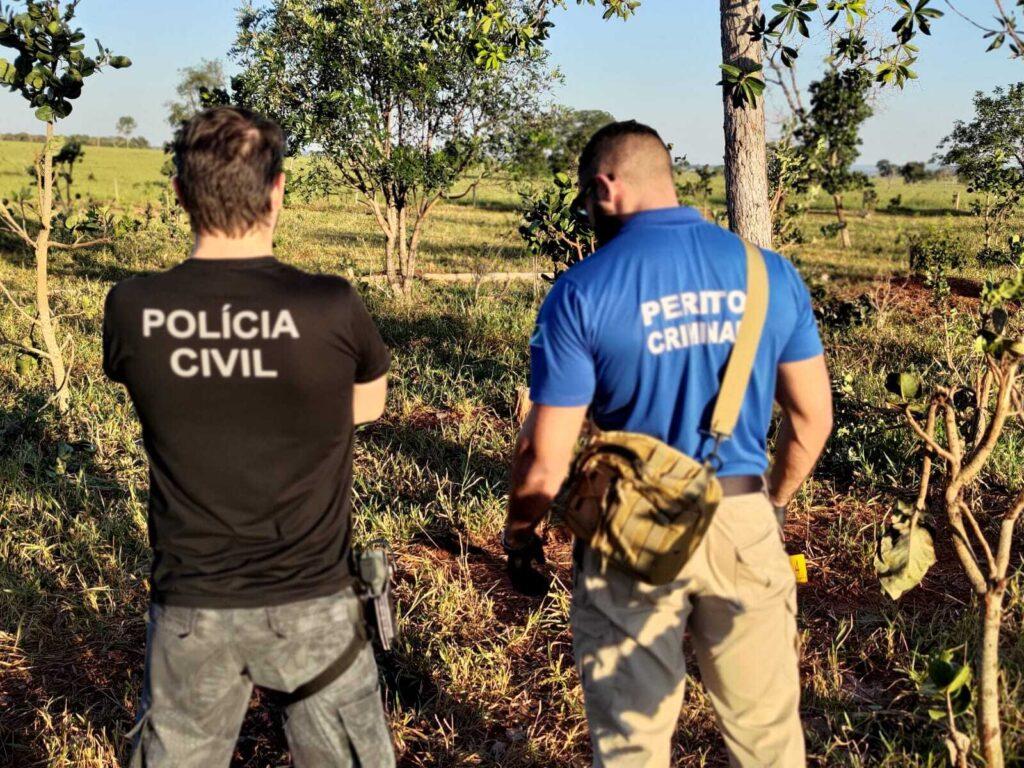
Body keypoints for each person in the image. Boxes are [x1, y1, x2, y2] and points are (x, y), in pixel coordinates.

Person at [502, 121, 833, 768]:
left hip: (631, 529)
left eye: (586, 200)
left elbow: (544, 457)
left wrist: (522, 535)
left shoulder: (580, 292)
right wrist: (772, 506)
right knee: (767, 741)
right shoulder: (770, 275)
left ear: (605, 187)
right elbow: (812, 419)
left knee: (632, 747)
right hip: (742, 516)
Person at [103, 106, 395, 768]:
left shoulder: (133, 306)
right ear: (278, 189)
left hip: (191, 604)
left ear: (179, 193)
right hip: (315, 600)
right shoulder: (330, 304)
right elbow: (368, 406)